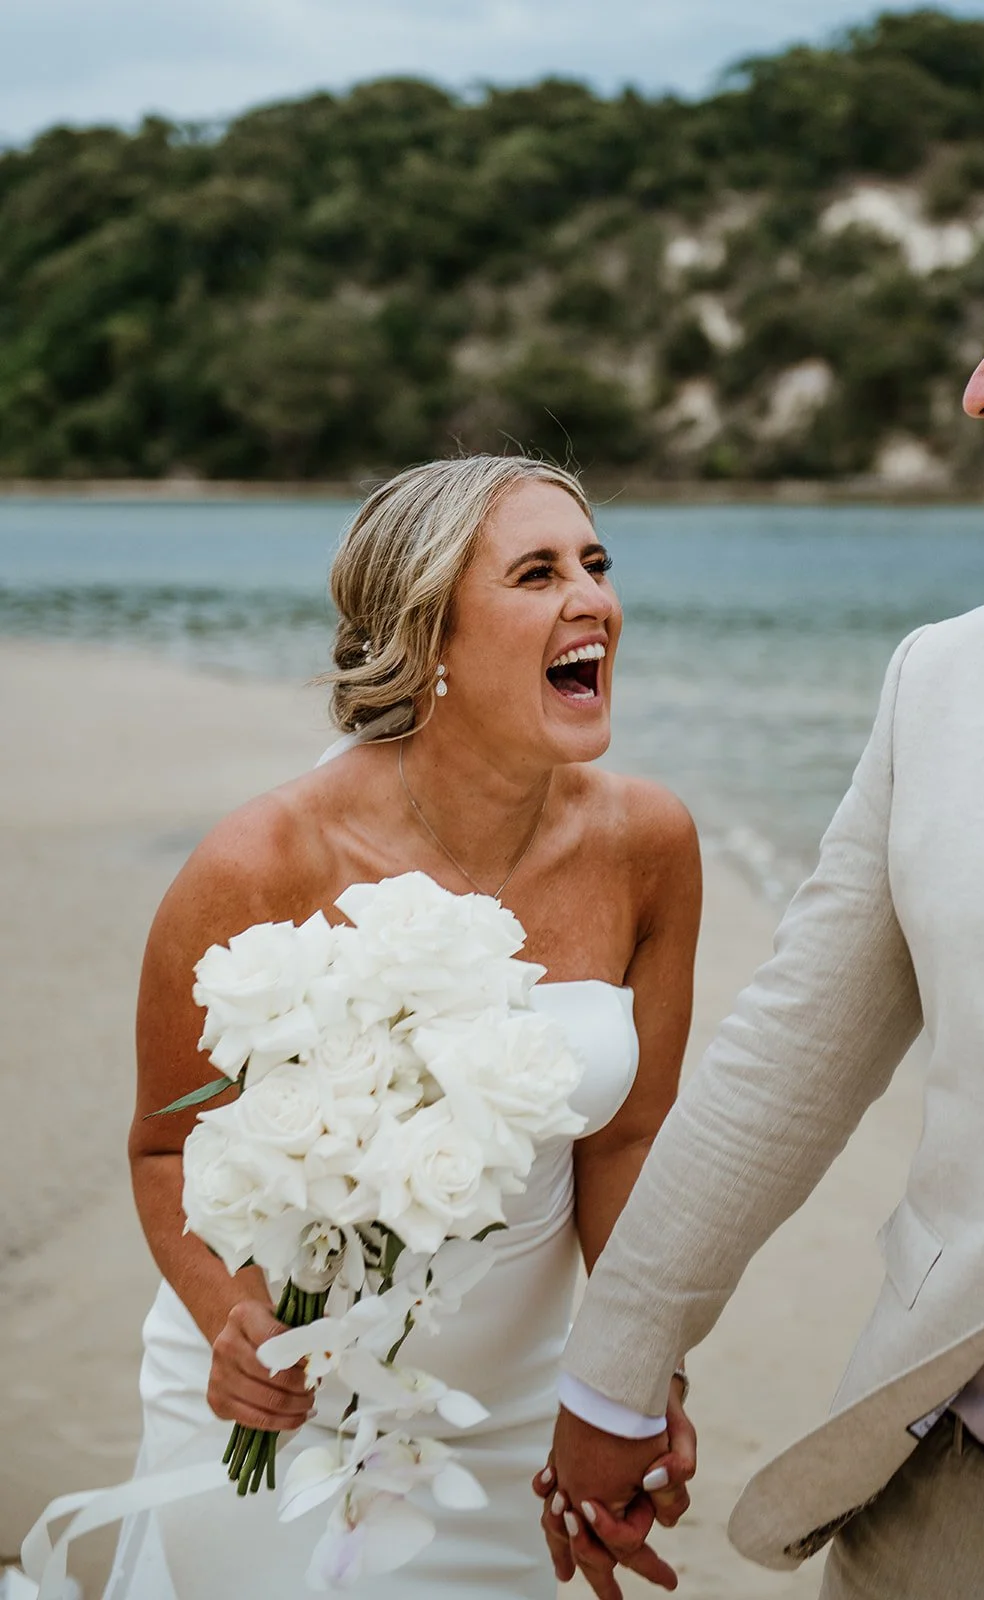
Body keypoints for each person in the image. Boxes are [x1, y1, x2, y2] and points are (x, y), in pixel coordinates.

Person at [541, 129, 984, 1600]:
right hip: (945, 1508)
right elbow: (792, 1050)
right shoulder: (946, 677)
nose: (977, 389)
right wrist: (621, 1367)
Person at [107, 455, 700, 1600]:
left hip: (510, 1425)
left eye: (596, 563)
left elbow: (626, 1142)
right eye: (537, 572)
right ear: (431, 635)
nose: (592, 599)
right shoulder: (266, 860)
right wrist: (234, 1323)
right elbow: (163, 1143)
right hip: (282, 1422)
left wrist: (632, 1381)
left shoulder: (650, 847)